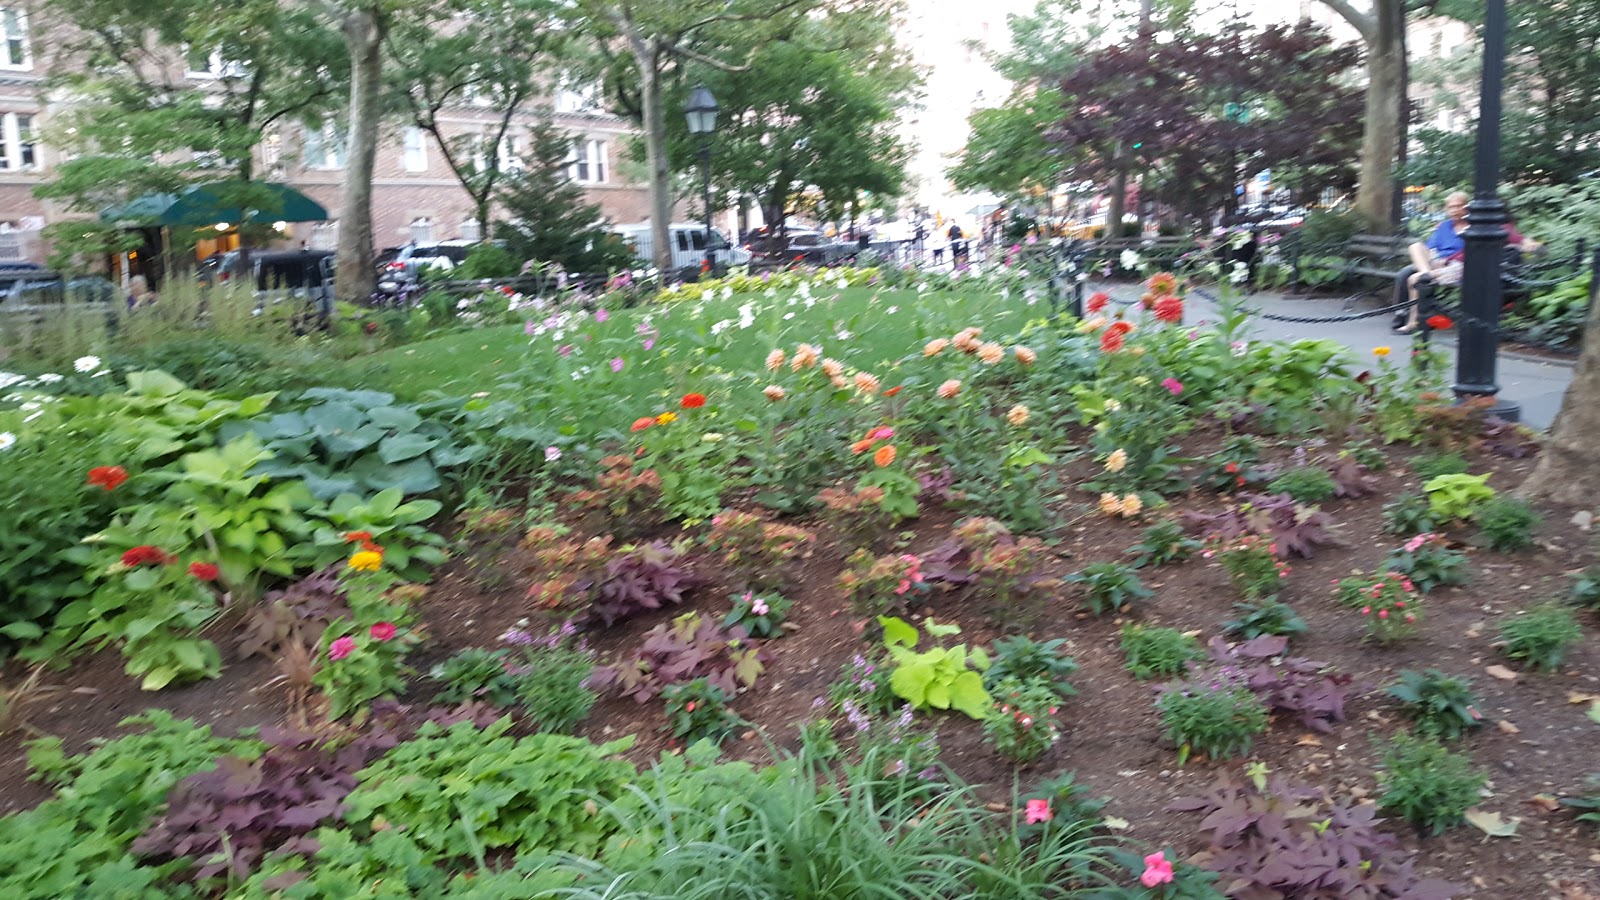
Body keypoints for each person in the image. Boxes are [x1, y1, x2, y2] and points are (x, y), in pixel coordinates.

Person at [1393, 191, 1468, 334]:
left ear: (1466, 208)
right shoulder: (1444, 226)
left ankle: (1413, 321)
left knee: (1412, 277)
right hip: (1436, 263)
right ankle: (1425, 274)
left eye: (1458, 206)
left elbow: (1469, 253)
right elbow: (1430, 247)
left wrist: (1446, 260)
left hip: (1457, 266)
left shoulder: (1472, 228)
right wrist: (1435, 260)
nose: (1454, 210)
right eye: (1451, 207)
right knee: (1415, 247)